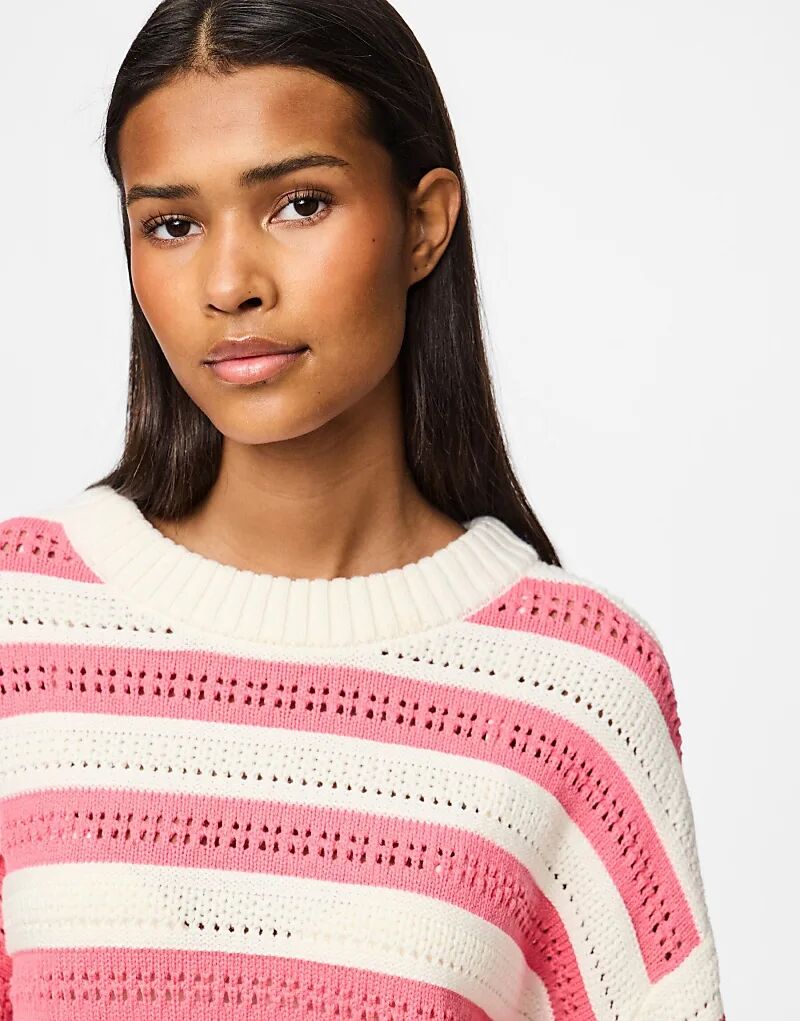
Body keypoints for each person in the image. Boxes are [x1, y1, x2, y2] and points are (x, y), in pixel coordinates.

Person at [0, 1, 725, 1018]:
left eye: (299, 204)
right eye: (172, 224)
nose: (229, 283)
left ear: (424, 223)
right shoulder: (21, 627)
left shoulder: (576, 691)